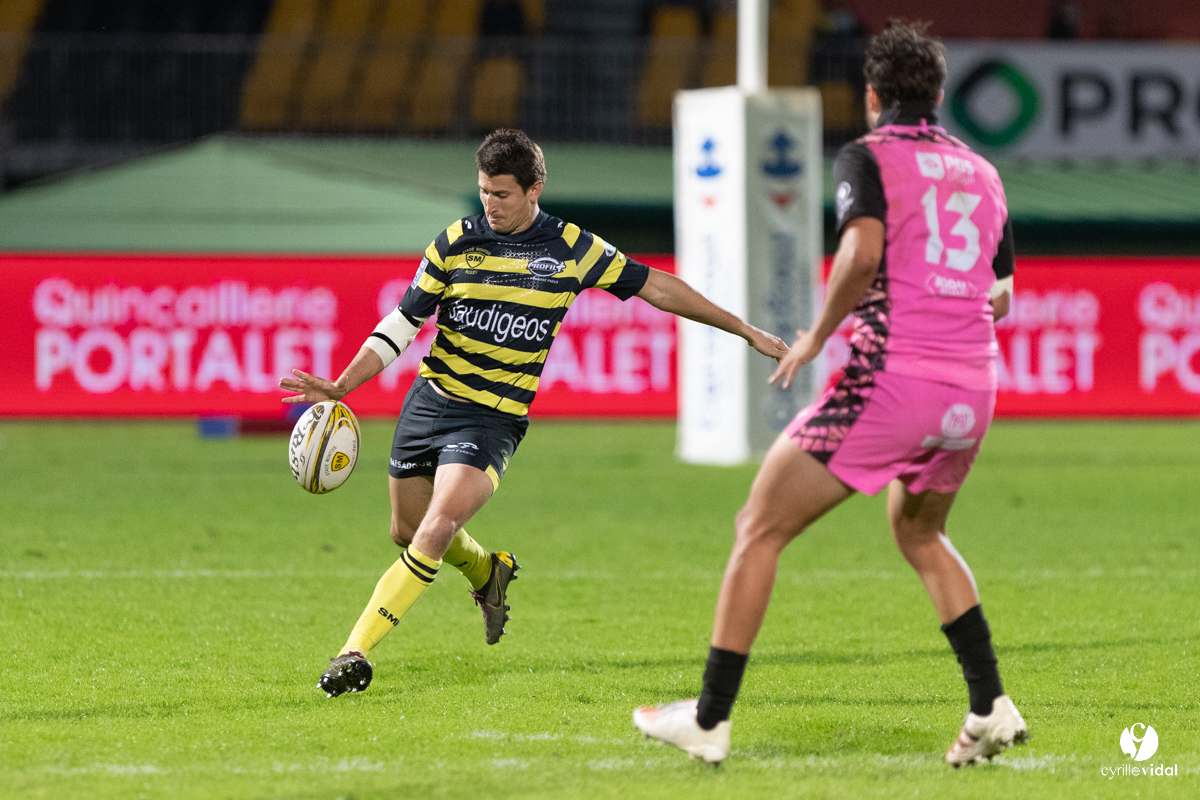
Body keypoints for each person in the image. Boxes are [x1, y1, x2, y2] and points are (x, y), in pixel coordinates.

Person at [633, 22, 1026, 767]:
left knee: (759, 525)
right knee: (919, 534)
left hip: (892, 382)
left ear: (873, 95)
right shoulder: (983, 172)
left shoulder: (867, 156)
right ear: (939, 95)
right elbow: (1000, 293)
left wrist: (817, 334)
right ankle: (990, 706)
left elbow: (862, 251)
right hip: (973, 391)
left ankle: (709, 720)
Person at [280, 128, 789, 699]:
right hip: (429, 403)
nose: (489, 206)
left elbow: (657, 288)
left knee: (437, 526)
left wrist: (744, 330)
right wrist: (342, 384)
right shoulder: (454, 243)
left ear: (534, 189)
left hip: (492, 419)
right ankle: (488, 571)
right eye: (483, 192)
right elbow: (401, 325)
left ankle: (354, 651)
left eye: (501, 194)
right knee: (406, 531)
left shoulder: (572, 248)